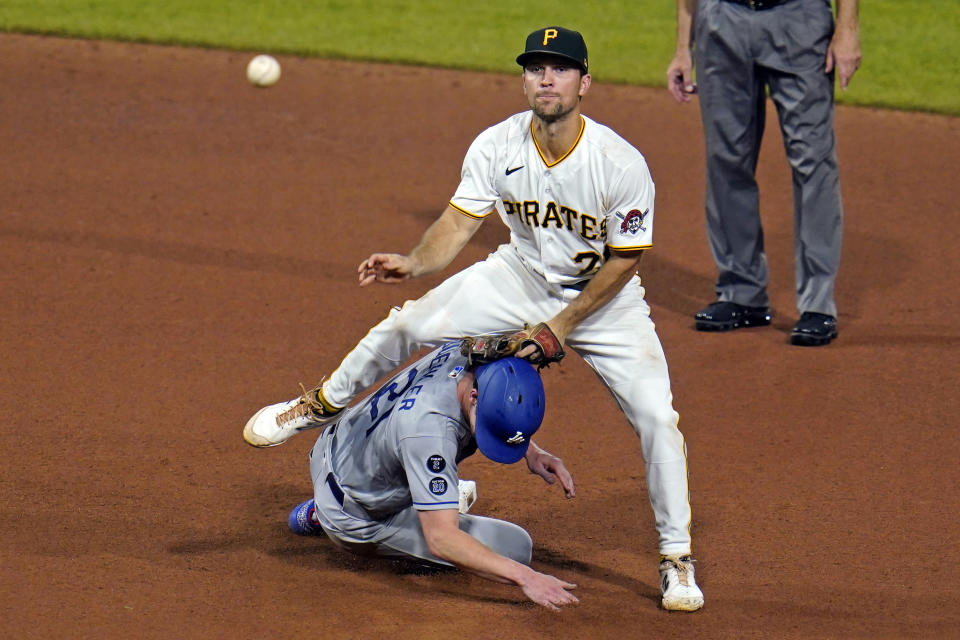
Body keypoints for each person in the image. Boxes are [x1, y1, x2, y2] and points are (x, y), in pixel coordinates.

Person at [246, 26, 704, 612]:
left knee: (658, 420)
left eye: (560, 69)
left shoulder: (619, 163)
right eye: (536, 68)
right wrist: (414, 262)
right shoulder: (497, 144)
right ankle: (318, 405)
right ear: (524, 79)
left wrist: (561, 326)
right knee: (406, 325)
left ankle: (675, 553)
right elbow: (458, 224)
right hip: (518, 276)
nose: (546, 78)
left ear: (584, 82)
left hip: (603, 303)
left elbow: (626, 257)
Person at [286, 344, 580, 610]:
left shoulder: (472, 351)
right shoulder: (429, 433)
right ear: (475, 396)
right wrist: (526, 578)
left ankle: (419, 500)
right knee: (515, 548)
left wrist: (530, 450)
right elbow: (442, 539)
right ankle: (321, 516)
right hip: (356, 516)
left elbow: (499, 405)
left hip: (342, 445)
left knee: (431, 467)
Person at [666, 0, 861, 346]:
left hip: (799, 20)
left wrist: (847, 29)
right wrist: (684, 46)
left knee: (813, 162)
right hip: (721, 21)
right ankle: (742, 292)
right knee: (726, 160)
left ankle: (818, 304)